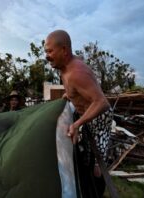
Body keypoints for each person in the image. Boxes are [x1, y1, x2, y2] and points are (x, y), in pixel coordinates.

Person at [44, 30, 113, 197]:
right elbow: (78, 91)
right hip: (88, 117)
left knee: (98, 167)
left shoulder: (77, 73)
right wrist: (69, 95)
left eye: (50, 51)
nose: (47, 56)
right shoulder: (63, 67)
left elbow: (101, 102)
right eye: (46, 51)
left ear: (64, 50)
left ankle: (97, 191)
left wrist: (77, 124)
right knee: (87, 153)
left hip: (100, 120)